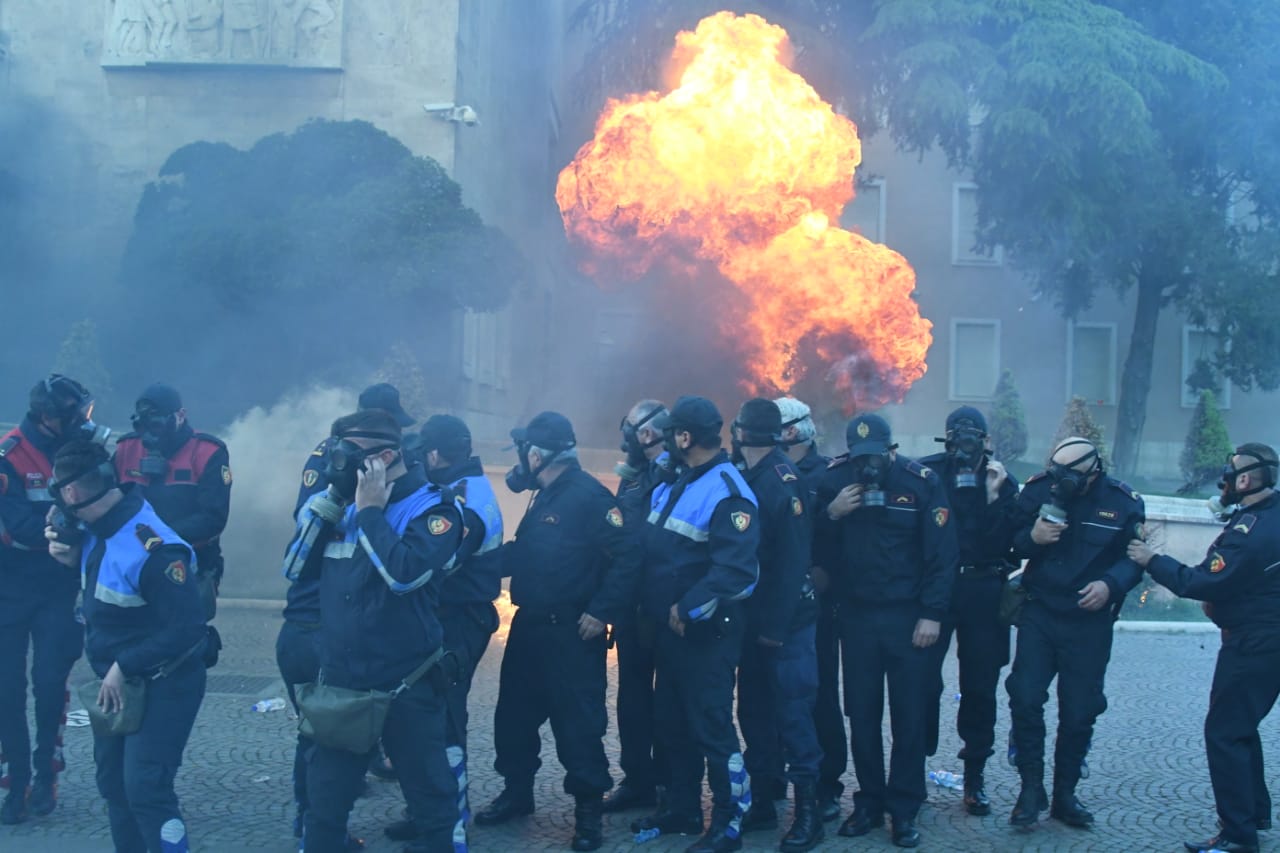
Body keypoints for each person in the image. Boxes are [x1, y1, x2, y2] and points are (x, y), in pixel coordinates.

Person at [287, 409, 464, 853]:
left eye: (349, 456)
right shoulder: (336, 504)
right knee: (323, 807)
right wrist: (329, 505)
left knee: (433, 809)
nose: (338, 464)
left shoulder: (435, 507)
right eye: (335, 453)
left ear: (386, 456)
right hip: (343, 685)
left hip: (408, 684)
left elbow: (405, 575)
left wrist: (370, 514)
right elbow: (293, 570)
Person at [474, 412, 640, 852]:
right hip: (529, 627)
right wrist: (476, 564)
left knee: (578, 727)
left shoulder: (589, 497)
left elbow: (629, 557)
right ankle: (517, 793)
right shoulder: (544, 496)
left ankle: (588, 816)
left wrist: (601, 611)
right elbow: (528, 555)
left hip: (572, 634)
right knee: (513, 718)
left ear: (537, 454)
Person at [46, 439, 208, 853]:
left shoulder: (153, 548)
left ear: (70, 493)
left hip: (165, 679)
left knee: (146, 788)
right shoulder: (96, 532)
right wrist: (70, 560)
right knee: (114, 787)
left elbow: (189, 627)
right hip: (118, 682)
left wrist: (124, 664)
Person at [1128, 443, 1280, 853]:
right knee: (1242, 726)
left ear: (1245, 480)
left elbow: (1204, 582)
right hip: (1267, 641)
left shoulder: (1251, 531)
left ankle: (1237, 835)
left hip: (1253, 643)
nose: (1224, 483)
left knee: (1225, 732)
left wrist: (1150, 559)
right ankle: (1255, 812)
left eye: (1230, 475)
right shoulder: (1271, 515)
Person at [814, 413, 957, 849]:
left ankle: (904, 806)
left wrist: (932, 614)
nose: (867, 467)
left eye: (874, 458)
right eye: (860, 459)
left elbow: (943, 555)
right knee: (861, 715)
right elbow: (803, 539)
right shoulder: (833, 480)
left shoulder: (920, 482)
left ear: (890, 451)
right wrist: (830, 514)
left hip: (908, 619)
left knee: (909, 717)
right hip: (855, 617)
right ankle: (870, 801)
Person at [631, 396, 759, 853]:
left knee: (712, 728)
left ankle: (729, 824)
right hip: (670, 635)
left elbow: (736, 572)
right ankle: (683, 808)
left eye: (671, 433)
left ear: (685, 437)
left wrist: (686, 609)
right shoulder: (679, 480)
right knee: (673, 725)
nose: (666, 441)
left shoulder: (728, 489)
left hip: (706, 635)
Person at [1005, 436, 1144, 829]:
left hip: (1089, 621)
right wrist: (1030, 539)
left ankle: (1065, 794)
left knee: (1080, 709)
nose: (1062, 482)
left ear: (1093, 471)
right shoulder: (1037, 491)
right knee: (1025, 697)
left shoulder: (1122, 501)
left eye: (1072, 476)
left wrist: (1110, 586)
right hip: (1041, 611)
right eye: (1058, 473)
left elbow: (1135, 559)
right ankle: (1030, 789)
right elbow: (1006, 543)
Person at [383, 414, 504, 848]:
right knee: (430, 718)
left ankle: (448, 821)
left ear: (434, 454)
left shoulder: (462, 499)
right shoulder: (470, 486)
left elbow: (440, 565)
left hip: (457, 621)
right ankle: (427, 811)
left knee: (444, 721)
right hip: (456, 617)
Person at [289, 382, 414, 798]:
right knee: (320, 729)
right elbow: (297, 558)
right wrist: (338, 501)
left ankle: (360, 764)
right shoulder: (329, 462)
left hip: (357, 620)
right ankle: (315, 818)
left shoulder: (408, 488)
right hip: (316, 617)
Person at [0, 375, 103, 823]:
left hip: (60, 590)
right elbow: (16, 526)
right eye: (75, 413)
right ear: (48, 417)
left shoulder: (85, 449)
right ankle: (15, 779)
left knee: (49, 685)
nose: (84, 419)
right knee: (6, 690)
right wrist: (65, 519)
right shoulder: (8, 456)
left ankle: (46, 776)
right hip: (10, 589)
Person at [732, 399, 824, 852]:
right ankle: (764, 801)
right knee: (754, 713)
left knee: (793, 714)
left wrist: (775, 626)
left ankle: (808, 812)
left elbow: (792, 563)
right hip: (753, 619)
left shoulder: (782, 480)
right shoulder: (749, 473)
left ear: (742, 432)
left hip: (785, 623)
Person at [917, 406, 1019, 816]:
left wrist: (994, 497)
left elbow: (1009, 543)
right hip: (937, 588)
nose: (964, 446)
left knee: (980, 686)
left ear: (985, 441)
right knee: (921, 681)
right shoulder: (928, 474)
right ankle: (913, 765)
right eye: (957, 437)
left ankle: (974, 776)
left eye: (971, 438)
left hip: (983, 587)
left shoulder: (1002, 482)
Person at [775, 395, 844, 822]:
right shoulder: (768, 472)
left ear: (797, 430)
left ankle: (827, 783)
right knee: (776, 693)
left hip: (817, 604)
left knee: (819, 694)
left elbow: (841, 540)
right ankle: (779, 774)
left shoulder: (826, 476)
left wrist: (827, 573)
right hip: (778, 599)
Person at [112, 383, 231, 620]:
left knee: (186, 638)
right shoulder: (126, 448)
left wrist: (158, 540)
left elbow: (213, 518)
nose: (150, 434)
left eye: (157, 425)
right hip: (131, 562)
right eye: (143, 426)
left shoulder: (208, 452)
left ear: (180, 416)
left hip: (189, 561)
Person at [604, 399, 670, 814]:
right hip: (632, 608)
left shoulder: (677, 474)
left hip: (665, 607)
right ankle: (638, 780)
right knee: (632, 698)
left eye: (630, 428)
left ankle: (671, 781)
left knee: (671, 699)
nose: (625, 436)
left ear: (646, 433)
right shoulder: (630, 478)